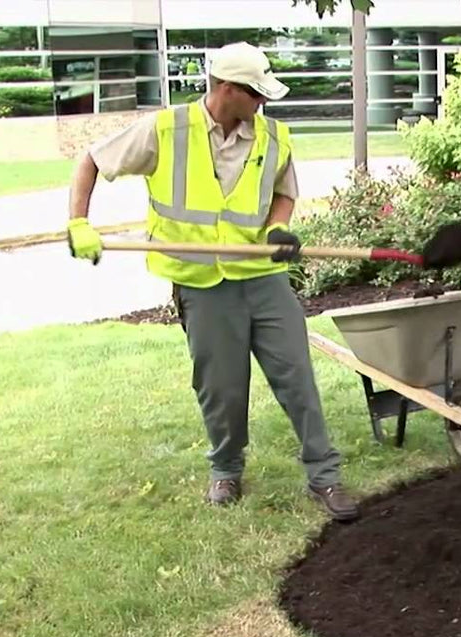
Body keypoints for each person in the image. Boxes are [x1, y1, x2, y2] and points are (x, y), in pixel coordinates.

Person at [64, 42, 359, 523]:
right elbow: (92, 161)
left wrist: (278, 229)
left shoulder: (274, 136)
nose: (263, 103)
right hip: (202, 283)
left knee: (297, 378)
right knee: (221, 388)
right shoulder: (165, 130)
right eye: (255, 94)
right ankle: (226, 470)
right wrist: (79, 222)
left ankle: (324, 476)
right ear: (226, 89)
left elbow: (283, 193)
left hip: (263, 280)